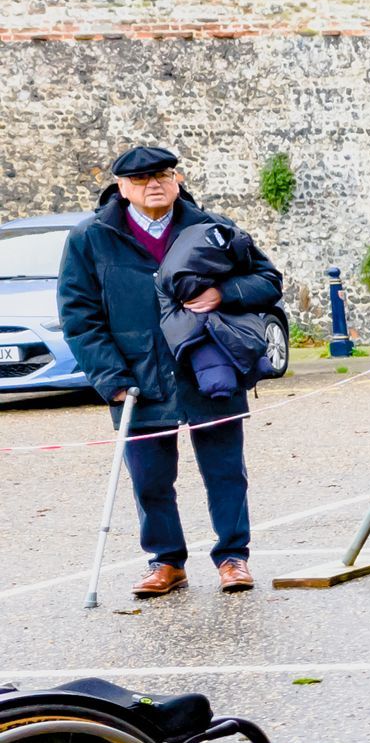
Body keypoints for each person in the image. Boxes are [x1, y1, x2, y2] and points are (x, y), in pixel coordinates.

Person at [58, 145, 282, 598]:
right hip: (137, 377)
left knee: (225, 470)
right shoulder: (90, 238)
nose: (153, 184)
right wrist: (111, 379)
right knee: (150, 478)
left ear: (177, 178)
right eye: (140, 180)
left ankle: (233, 557)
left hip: (209, 366)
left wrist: (224, 293)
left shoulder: (210, 227)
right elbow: (79, 315)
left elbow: (267, 280)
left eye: (162, 174)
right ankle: (165, 561)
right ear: (121, 188)